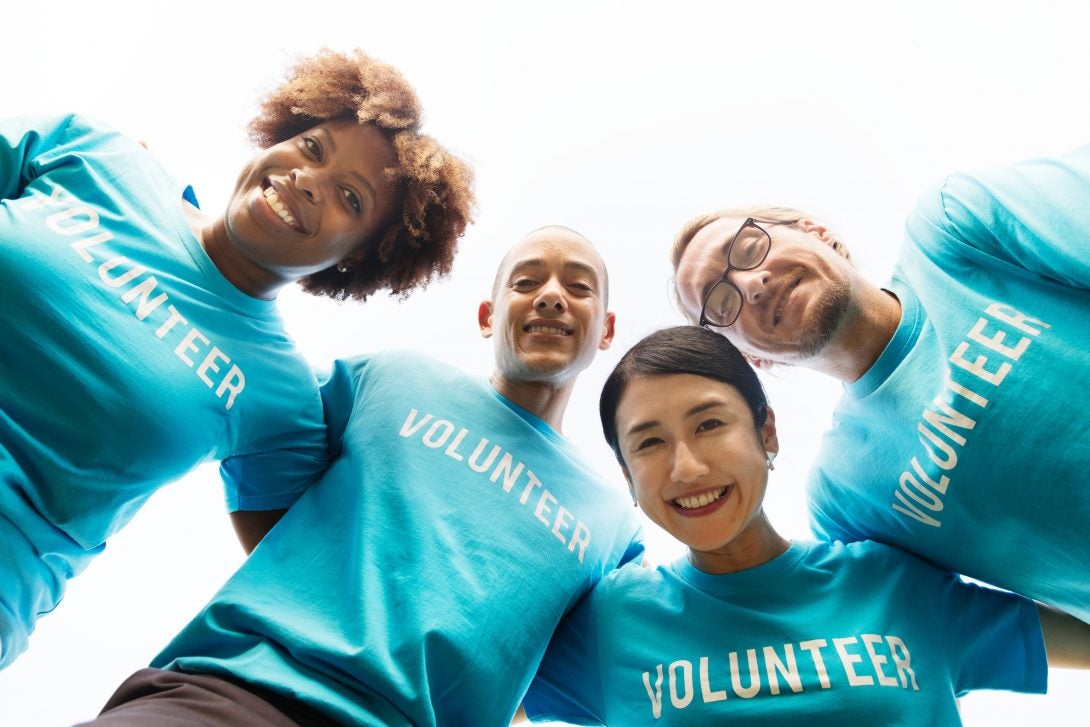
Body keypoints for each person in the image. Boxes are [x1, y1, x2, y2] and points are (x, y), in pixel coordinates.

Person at [0, 48, 475, 669]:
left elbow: (331, 589)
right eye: (312, 149)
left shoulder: (281, 401)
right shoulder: (97, 154)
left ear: (358, 257)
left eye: (351, 198)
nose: (308, 179)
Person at [77, 226, 644, 726]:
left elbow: (559, 681)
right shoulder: (391, 378)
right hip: (235, 694)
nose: (550, 296)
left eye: (578, 286)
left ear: (608, 328)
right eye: (525, 283)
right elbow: (264, 427)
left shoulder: (615, 525)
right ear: (487, 316)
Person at [522, 325, 1090, 725]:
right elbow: (454, 691)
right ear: (626, 473)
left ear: (766, 432)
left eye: (710, 424)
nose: (687, 467)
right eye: (648, 443)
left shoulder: (893, 581)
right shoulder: (610, 619)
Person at [669, 144, 1090, 624]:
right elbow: (948, 634)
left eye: (747, 248)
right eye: (721, 304)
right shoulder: (847, 499)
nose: (751, 285)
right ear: (751, 357)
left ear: (817, 233)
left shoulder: (956, 229)